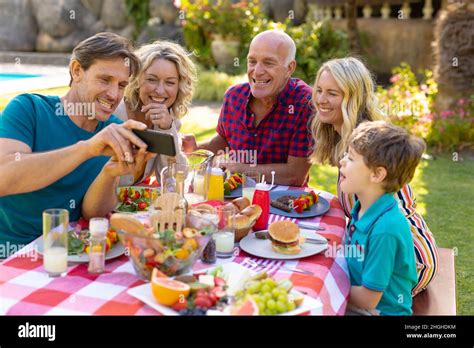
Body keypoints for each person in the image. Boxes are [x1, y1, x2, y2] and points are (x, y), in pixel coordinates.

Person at [0, 32, 153, 254]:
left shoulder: (114, 130)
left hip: (69, 252)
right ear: (77, 71)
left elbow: (94, 215)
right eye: (105, 79)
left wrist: (109, 174)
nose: (113, 94)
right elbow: (4, 177)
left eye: (121, 85)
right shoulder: (29, 109)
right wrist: (87, 149)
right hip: (10, 256)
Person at [309, 57, 438, 296]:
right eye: (319, 90)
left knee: (323, 286)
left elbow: (387, 224)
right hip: (378, 251)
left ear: (353, 98)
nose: (321, 100)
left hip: (407, 259)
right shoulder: (350, 138)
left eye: (332, 93)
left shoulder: (368, 145)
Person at [182, 30, 313, 186]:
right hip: (236, 194)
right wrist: (196, 148)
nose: (257, 71)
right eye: (252, 61)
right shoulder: (234, 96)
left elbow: (295, 175)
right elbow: (225, 139)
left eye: (268, 63)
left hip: (284, 202)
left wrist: (241, 169)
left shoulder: (304, 103)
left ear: (289, 68)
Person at [341, 121, 422, 315]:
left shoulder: (385, 229)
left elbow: (368, 299)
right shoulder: (363, 208)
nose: (341, 161)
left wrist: (328, 284)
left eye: (351, 158)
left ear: (377, 174)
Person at [114, 40, 197, 185]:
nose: (159, 90)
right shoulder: (115, 114)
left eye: (170, 82)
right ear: (136, 79)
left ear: (179, 87)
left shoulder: (169, 121)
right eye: (152, 80)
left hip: (132, 206)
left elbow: (175, 181)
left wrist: (167, 130)